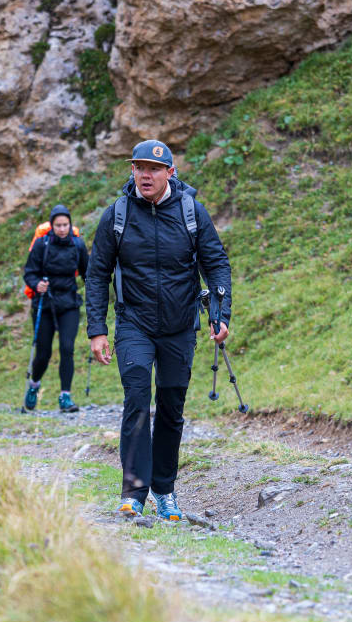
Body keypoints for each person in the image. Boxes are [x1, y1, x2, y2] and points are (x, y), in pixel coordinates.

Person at [86, 140, 232, 520]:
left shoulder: (191, 212)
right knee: (137, 399)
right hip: (134, 323)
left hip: (179, 326)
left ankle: (165, 491)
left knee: (171, 407)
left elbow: (216, 264)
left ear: (170, 172)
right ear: (132, 171)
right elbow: (97, 274)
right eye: (139, 168)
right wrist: (97, 329)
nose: (146, 175)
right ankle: (134, 492)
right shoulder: (117, 215)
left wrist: (220, 314)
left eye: (154, 169)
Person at [23, 205, 89, 413]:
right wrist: (37, 285)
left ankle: (65, 396)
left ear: (70, 225)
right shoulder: (41, 245)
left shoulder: (77, 245)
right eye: (58, 225)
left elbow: (87, 273)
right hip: (45, 303)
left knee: (67, 348)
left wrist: (96, 292)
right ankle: (34, 385)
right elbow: (29, 272)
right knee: (43, 353)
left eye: (65, 225)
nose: (62, 229)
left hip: (69, 303)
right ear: (52, 226)